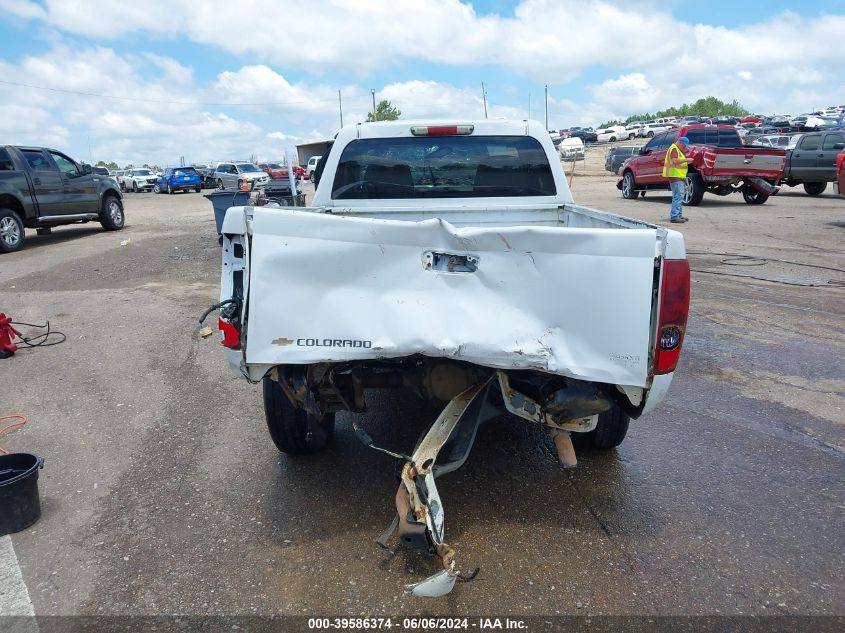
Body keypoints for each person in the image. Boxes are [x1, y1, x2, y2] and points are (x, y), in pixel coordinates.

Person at [663, 136, 691, 223]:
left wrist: (685, 153)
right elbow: (675, 161)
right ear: (680, 143)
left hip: (677, 176)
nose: (685, 148)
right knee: (678, 196)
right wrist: (687, 160)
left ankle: (678, 215)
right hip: (675, 176)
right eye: (684, 146)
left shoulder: (678, 150)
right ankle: (675, 216)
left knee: (679, 196)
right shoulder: (674, 149)